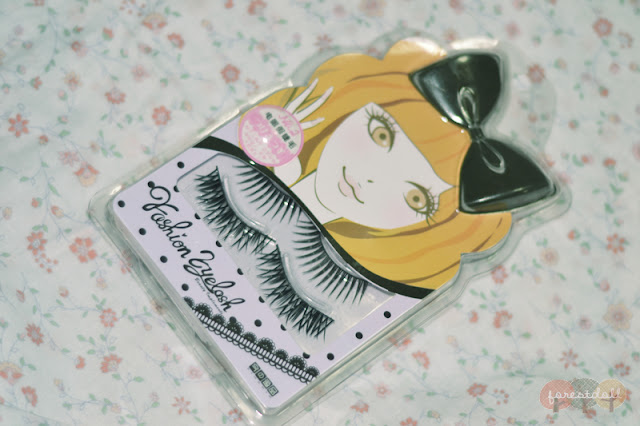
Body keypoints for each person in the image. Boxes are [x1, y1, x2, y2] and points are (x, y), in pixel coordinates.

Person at [241, 39, 512, 296]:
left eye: (415, 198)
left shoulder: (330, 278)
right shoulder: (248, 167)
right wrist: (282, 133)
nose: (370, 179)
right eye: (381, 135)